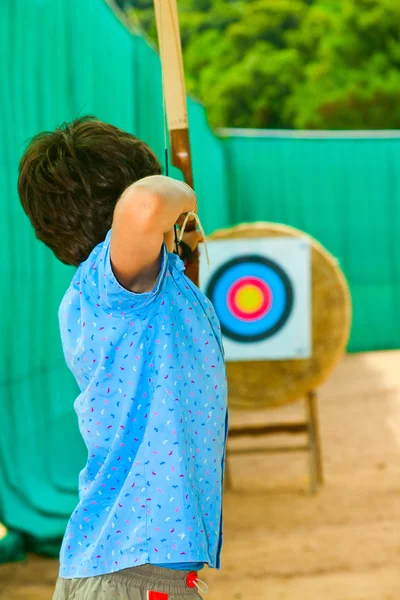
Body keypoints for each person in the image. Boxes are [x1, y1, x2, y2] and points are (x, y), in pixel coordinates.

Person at [18, 116, 228, 600]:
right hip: (133, 575)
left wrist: (177, 245)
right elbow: (147, 204)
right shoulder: (111, 287)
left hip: (123, 571)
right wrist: (183, 194)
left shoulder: (133, 291)